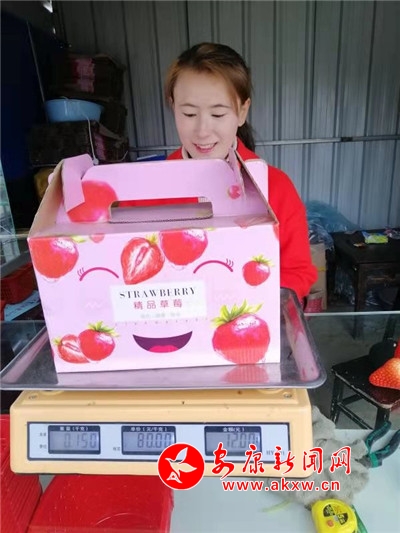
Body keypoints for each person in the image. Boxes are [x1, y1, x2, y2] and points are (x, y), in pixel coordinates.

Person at [164, 42, 317, 303]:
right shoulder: (147, 188)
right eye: (189, 114)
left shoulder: (274, 187)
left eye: (217, 114)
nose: (202, 131)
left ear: (242, 112)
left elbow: (297, 271)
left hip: (247, 320)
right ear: (173, 106)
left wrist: (251, 302)